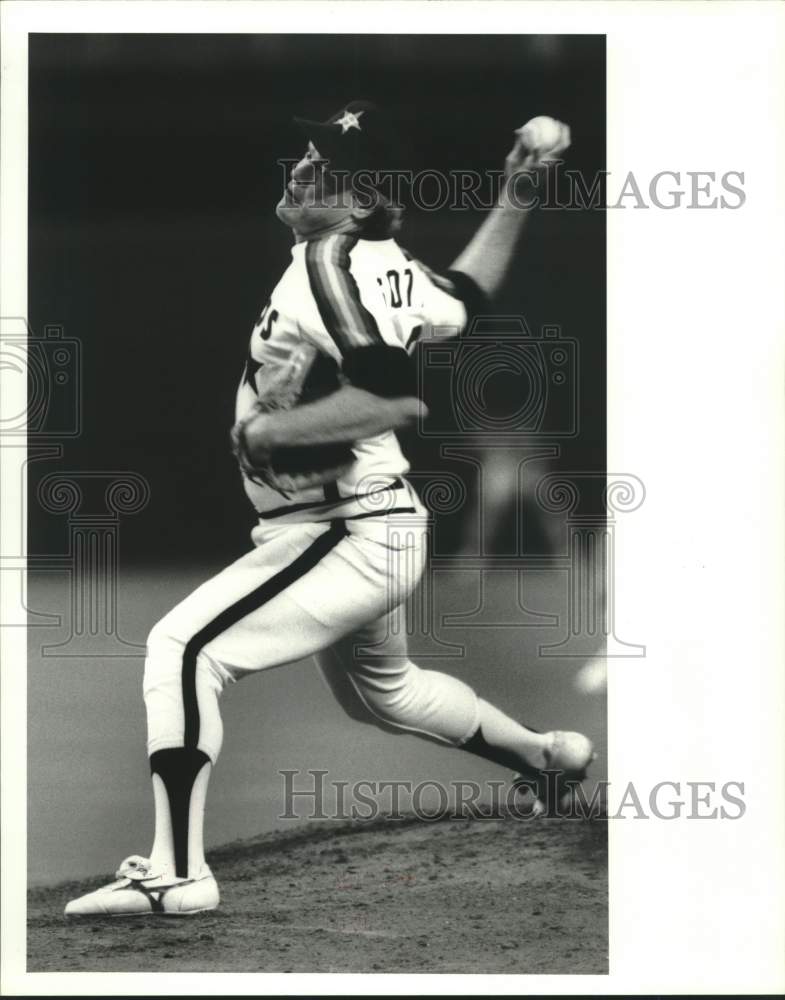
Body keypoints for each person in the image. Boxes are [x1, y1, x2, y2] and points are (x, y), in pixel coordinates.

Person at [65, 101, 593, 917]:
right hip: (366, 525)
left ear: (360, 197)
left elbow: (389, 399)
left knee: (183, 649)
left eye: (322, 167)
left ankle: (178, 874)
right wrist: (517, 191)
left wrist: (272, 431)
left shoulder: (328, 263)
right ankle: (549, 758)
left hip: (348, 528)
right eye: (306, 156)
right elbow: (468, 296)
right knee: (385, 694)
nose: (301, 171)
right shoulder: (386, 260)